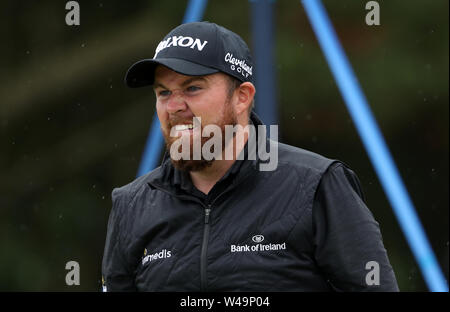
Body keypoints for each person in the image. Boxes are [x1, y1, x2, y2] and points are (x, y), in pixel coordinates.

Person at [101, 21, 399, 292]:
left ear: (242, 97)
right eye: (163, 93)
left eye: (192, 88)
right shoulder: (131, 205)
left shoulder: (317, 186)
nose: (174, 106)